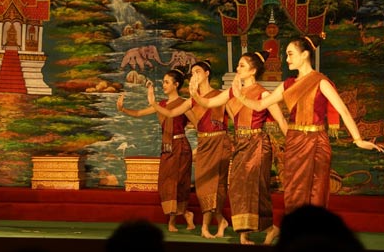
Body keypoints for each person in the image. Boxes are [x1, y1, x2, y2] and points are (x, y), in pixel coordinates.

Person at [231, 35, 383, 214]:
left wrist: (358, 140)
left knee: (316, 189)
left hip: (316, 141)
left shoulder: (320, 81)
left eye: (290, 54)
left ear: (304, 55)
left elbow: (343, 110)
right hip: (295, 141)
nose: (286, 59)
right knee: (294, 190)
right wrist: (239, 95)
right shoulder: (287, 84)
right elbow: (259, 105)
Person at [190, 51, 287, 245]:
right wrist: (194, 94)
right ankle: (244, 234)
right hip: (240, 144)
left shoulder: (263, 93)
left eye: (242, 65)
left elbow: (282, 121)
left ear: (252, 71)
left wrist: (294, 146)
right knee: (237, 187)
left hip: (257, 144)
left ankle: (269, 228)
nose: (237, 69)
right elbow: (209, 103)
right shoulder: (233, 91)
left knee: (254, 187)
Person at [147, 60, 231, 239]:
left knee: (217, 186)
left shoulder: (221, 96)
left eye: (198, 71)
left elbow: (233, 117)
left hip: (220, 143)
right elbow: (170, 114)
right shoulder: (192, 100)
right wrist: (153, 102)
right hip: (204, 144)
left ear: (207, 73)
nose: (195, 75)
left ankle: (205, 228)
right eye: (193, 73)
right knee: (202, 187)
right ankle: (221, 220)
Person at [116, 67, 196, 232]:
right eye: (163, 82)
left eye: (166, 82)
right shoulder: (161, 105)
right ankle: (186, 214)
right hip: (167, 148)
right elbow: (139, 113)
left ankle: (173, 221)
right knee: (165, 183)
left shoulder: (183, 103)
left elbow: (197, 123)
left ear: (176, 84)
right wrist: (123, 109)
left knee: (177, 183)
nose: (163, 85)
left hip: (180, 147)